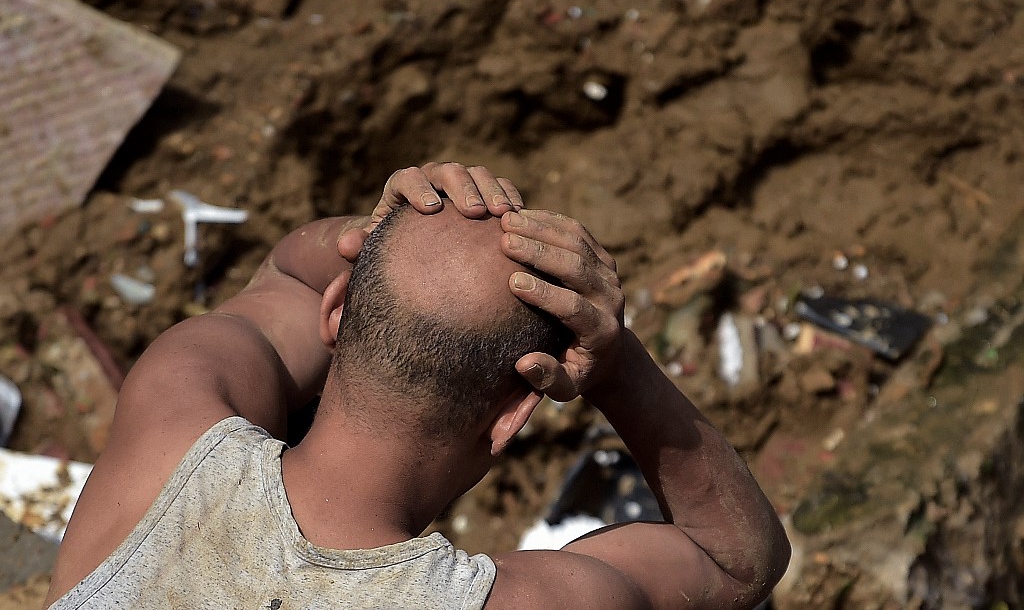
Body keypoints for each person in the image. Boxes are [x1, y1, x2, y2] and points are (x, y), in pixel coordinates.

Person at [44, 163, 790, 609]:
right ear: (511, 415)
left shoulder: (172, 418)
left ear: (339, 311)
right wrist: (617, 361)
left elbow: (286, 273)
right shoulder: (522, 602)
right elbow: (737, 559)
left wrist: (379, 234)